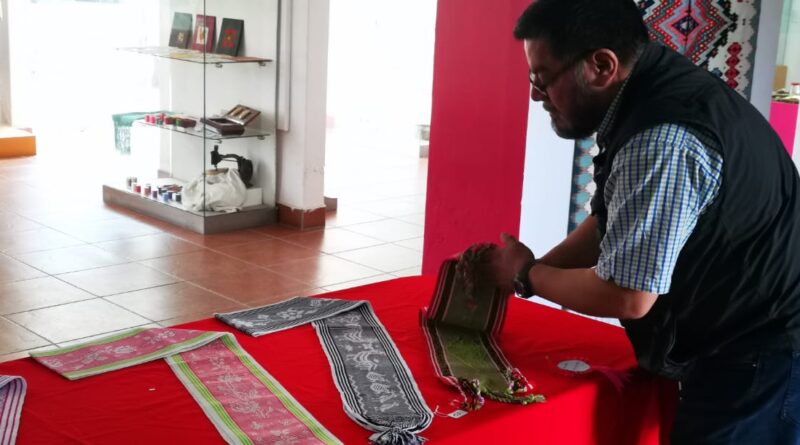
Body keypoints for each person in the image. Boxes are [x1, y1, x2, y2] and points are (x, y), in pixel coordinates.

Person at [486, 0, 800, 443]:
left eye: (542, 79)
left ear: (601, 65)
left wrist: (527, 275)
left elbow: (628, 295)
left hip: (762, 353)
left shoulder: (662, 139)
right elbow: (613, 221)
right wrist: (536, 267)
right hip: (743, 336)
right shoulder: (652, 86)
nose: (537, 96)